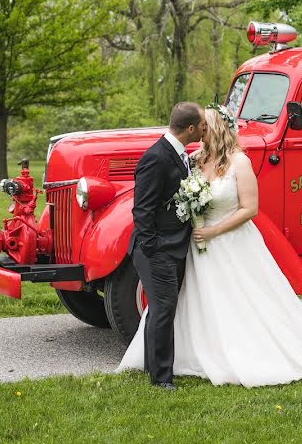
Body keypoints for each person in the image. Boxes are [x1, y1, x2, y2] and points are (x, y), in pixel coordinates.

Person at [119, 105, 302, 387]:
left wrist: (213, 230)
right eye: (200, 124)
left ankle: (238, 352)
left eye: (207, 124)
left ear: (216, 129)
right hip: (193, 247)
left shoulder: (240, 163)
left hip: (229, 242)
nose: (202, 129)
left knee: (239, 300)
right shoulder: (193, 160)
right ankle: (171, 361)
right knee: (185, 305)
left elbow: (250, 209)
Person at [126, 102, 207, 389]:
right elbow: (142, 209)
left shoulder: (180, 154)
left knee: (161, 310)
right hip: (157, 249)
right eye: (201, 125)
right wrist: (152, 247)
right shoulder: (156, 158)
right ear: (190, 129)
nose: (204, 129)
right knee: (163, 310)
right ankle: (161, 378)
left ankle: (153, 365)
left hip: (173, 246)